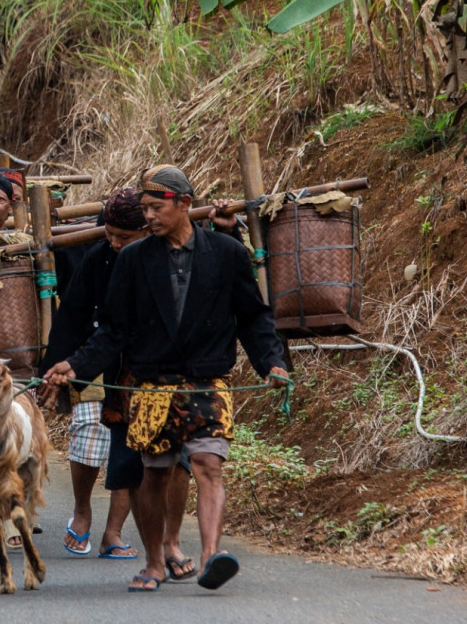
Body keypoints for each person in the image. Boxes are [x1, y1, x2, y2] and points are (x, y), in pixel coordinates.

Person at [51, 165, 291, 593]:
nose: (149, 217)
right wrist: (76, 366)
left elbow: (254, 316)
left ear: (184, 204)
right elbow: (114, 330)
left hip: (207, 381)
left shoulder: (226, 253)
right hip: (151, 386)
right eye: (144, 209)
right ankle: (155, 563)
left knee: (208, 464)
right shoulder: (133, 260)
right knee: (155, 473)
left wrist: (272, 362)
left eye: (155, 207)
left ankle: (211, 555)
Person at [40, 189, 150, 562]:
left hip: (145, 363)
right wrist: (59, 368)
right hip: (91, 355)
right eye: (110, 235)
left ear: (148, 230)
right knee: (88, 431)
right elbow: (71, 315)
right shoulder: (97, 259)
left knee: (132, 446)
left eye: (125, 237)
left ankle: (113, 533)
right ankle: (83, 509)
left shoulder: (166, 257)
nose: (116, 244)